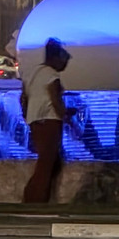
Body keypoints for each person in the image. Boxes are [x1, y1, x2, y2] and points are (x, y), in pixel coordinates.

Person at [21, 38, 76, 204]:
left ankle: (35, 197)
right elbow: (54, 98)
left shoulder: (32, 73)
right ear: (56, 58)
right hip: (49, 120)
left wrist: (28, 116)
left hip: (35, 120)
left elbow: (23, 98)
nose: (65, 64)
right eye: (64, 60)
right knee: (46, 162)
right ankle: (35, 200)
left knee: (51, 162)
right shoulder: (52, 75)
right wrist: (66, 116)